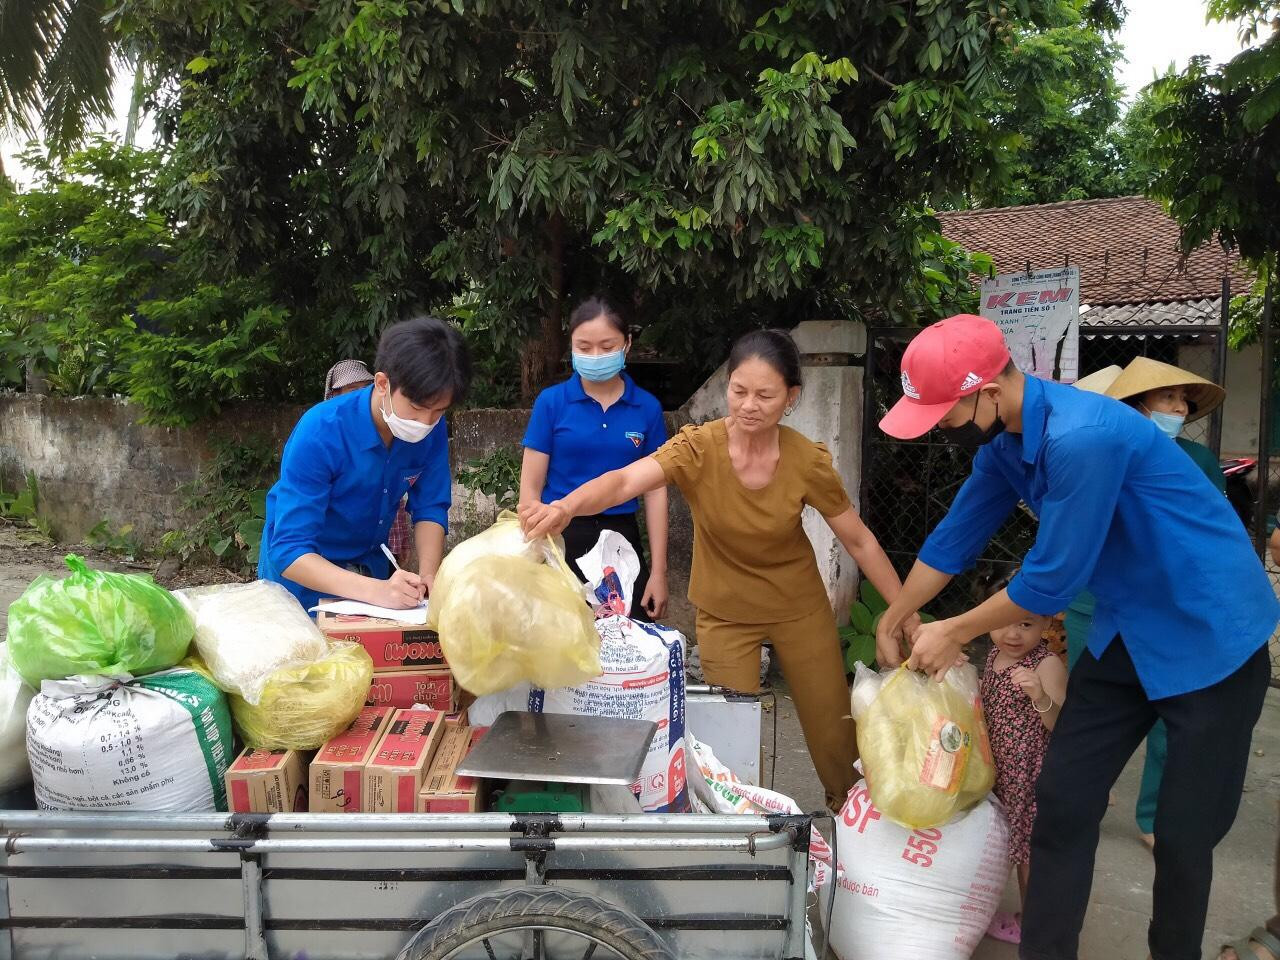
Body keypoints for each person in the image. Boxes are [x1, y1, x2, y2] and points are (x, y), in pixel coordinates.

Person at [871, 314, 1277, 960]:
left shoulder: (1081, 438)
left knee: (1181, 834)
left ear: (988, 392)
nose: (941, 428)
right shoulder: (1005, 443)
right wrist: (894, 615)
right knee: (1062, 801)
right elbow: (954, 538)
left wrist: (951, 630)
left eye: (945, 412)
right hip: (1130, 631)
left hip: (1213, 634)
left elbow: (1052, 580)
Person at [521, 329, 910, 810]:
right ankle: (741, 837)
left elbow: (858, 539)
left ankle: (853, 823)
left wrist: (906, 610)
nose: (749, 405)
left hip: (798, 608)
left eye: (765, 395)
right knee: (730, 745)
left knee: (835, 736)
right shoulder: (697, 448)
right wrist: (565, 507)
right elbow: (625, 480)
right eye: (739, 391)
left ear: (791, 398)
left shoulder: (807, 461)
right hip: (725, 614)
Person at [1081, 357, 1228, 849]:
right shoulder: (1101, 453)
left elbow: (1213, 529)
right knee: (1082, 709)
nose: (1180, 408)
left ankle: (1153, 816)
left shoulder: (1200, 460)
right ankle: (1084, 797)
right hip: (1101, 601)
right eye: (1168, 398)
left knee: (1173, 713)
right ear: (1137, 406)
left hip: (1173, 603)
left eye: (1184, 399)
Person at [259, 315, 472, 611]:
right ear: (383, 383)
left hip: (369, 572)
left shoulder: (431, 428)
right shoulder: (321, 431)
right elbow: (290, 551)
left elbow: (430, 508)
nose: (426, 423)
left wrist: (429, 575)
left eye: (439, 411)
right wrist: (377, 592)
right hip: (303, 584)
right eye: (417, 408)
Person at [520, 296, 669, 620]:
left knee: (624, 647)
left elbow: (656, 491)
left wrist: (658, 572)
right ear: (571, 347)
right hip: (559, 536)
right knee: (561, 646)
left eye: (606, 346)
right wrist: (532, 554)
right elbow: (530, 490)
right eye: (584, 347)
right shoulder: (551, 403)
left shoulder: (647, 408)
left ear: (627, 344)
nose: (595, 356)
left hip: (622, 542)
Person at [981, 596, 1068, 944]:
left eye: (1026, 624)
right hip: (1000, 770)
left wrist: (1040, 695)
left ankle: (1034, 926)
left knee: (1028, 853)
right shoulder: (992, 657)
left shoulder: (1046, 664)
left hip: (1031, 775)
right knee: (1008, 844)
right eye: (1003, 621)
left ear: (1045, 624)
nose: (1013, 634)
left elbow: (1061, 724)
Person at [322, 360, 414, 567]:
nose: (360, 395)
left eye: (365, 388)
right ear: (333, 396)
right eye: (352, 390)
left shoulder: (396, 433)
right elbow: (294, 539)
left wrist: (399, 544)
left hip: (373, 554)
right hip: (316, 558)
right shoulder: (321, 433)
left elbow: (393, 501)